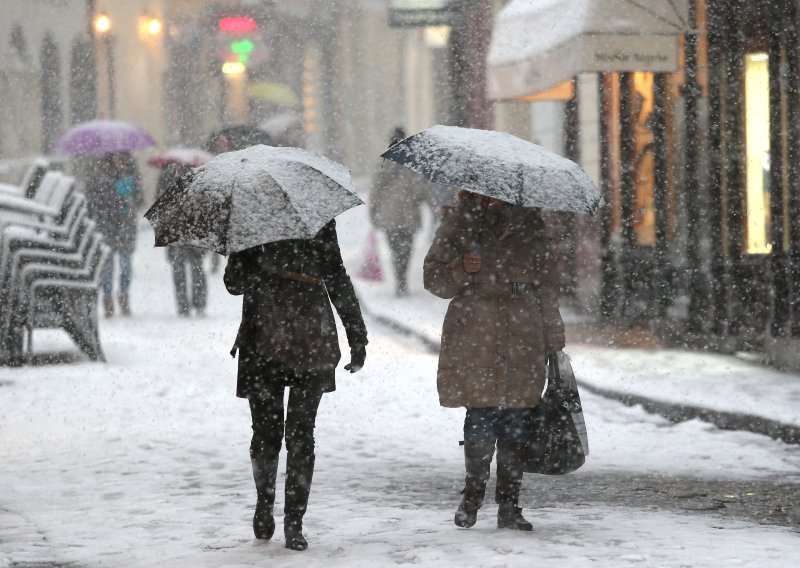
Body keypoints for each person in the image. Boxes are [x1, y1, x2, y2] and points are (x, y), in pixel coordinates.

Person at [423, 190, 565, 531]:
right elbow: (434, 278)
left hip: (522, 330)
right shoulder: (459, 222)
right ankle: (472, 497)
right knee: (481, 415)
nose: (492, 197)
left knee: (517, 421)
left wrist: (553, 339)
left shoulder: (531, 225)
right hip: (476, 330)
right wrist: (461, 267)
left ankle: (509, 505)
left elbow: (548, 285)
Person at [224, 220, 368, 551]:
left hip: (308, 339)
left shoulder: (316, 220)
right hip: (265, 340)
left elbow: (336, 276)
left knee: (300, 434)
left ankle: (293, 521)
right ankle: (266, 503)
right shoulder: (251, 222)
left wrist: (356, 334)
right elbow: (234, 283)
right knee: (267, 433)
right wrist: (245, 255)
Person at [370, 127, 433, 296]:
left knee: (395, 249)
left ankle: (400, 281)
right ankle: (402, 280)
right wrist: (433, 207)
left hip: (389, 215)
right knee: (405, 250)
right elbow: (422, 190)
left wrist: (373, 212)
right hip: (408, 215)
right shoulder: (413, 164)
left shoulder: (383, 163)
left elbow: (375, 191)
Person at [87, 151, 143, 317]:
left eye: (123, 157)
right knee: (108, 267)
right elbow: (95, 203)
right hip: (108, 228)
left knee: (126, 265)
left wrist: (131, 200)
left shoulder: (131, 175)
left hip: (126, 228)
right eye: (117, 157)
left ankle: (124, 295)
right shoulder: (100, 178)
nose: (120, 160)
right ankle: (107, 299)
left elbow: (140, 199)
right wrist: (115, 201)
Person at [155, 164, 207, 316]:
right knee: (181, 269)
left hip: (193, 232)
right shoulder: (167, 178)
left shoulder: (197, 177)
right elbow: (159, 204)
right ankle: (184, 304)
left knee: (196, 268)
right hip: (176, 232)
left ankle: (197, 303)